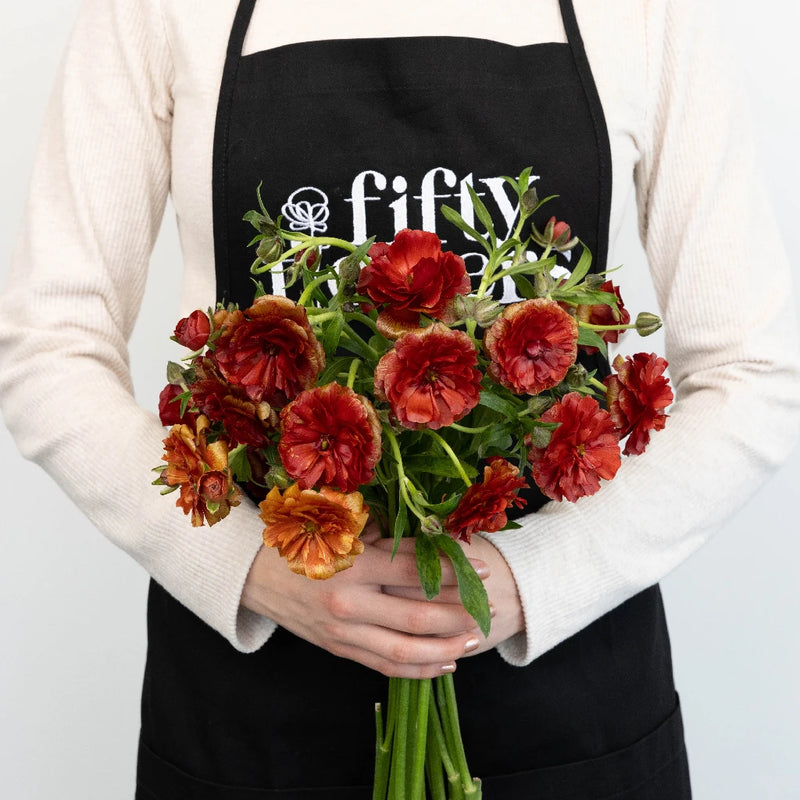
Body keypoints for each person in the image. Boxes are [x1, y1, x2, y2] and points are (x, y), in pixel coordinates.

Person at [1, 0, 798, 797]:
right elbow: (50, 345)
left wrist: (533, 579)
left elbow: (755, 370)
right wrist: (243, 567)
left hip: (569, 705)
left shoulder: (642, 14)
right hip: (254, 709)